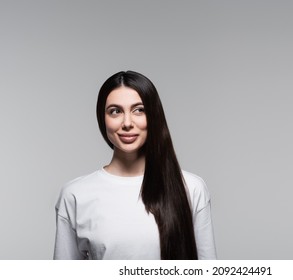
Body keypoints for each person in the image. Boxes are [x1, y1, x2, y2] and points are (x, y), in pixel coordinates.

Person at [53, 71, 217, 260]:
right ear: (102, 118)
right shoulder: (75, 195)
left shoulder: (191, 188)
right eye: (115, 111)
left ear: (154, 116)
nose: (127, 123)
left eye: (139, 110)